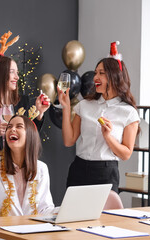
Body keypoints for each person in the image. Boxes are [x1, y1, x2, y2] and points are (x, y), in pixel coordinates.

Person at [57, 41, 140, 193]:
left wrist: (108, 137)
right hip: (79, 169)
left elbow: (126, 154)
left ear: (115, 77)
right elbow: (69, 141)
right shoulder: (84, 105)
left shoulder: (128, 112)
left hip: (106, 173)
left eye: (101, 73)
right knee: (74, 216)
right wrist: (66, 107)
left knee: (103, 217)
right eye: (96, 72)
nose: (96, 77)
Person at [0, 31, 50, 155]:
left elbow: (31, 137)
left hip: (19, 167)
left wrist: (40, 113)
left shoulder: (23, 102)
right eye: (12, 72)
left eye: (17, 72)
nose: (17, 77)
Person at [0, 115, 54, 217]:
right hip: (0, 230)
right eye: (9, 127)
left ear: (30, 135)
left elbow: (44, 209)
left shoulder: (41, 168)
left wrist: (61, 211)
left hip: (32, 230)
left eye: (19, 126)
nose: (12, 129)